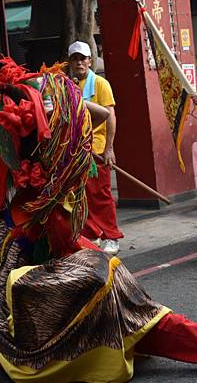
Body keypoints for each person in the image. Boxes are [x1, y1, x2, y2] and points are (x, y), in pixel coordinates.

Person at [0, 52, 197, 383]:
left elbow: (102, 114)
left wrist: (58, 95)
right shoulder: (14, 222)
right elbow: (0, 303)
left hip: (76, 284)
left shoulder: (63, 200)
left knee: (144, 313)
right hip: (40, 328)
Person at [67, 40, 123, 255]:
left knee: (101, 194)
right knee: (81, 194)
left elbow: (111, 117)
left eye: (83, 58)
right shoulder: (67, 84)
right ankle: (91, 232)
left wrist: (109, 148)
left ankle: (111, 235)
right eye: (75, 59)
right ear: (69, 62)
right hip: (75, 150)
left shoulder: (100, 84)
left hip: (97, 149)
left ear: (90, 61)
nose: (79, 63)